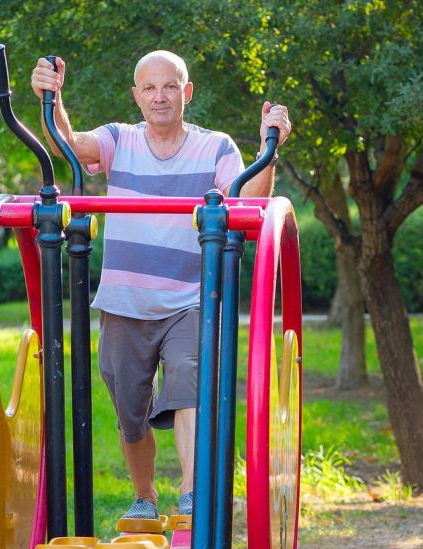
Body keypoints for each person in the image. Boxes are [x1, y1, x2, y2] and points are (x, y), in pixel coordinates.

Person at [31, 50, 291, 520]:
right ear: (136, 96)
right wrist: (53, 97)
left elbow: (250, 205)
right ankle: (145, 496)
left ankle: (192, 494)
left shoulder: (215, 147)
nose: (159, 97)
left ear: (187, 93)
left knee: (189, 377)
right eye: (149, 88)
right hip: (125, 302)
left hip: (188, 301)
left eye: (169, 86)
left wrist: (265, 151)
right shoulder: (119, 140)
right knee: (131, 408)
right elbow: (68, 143)